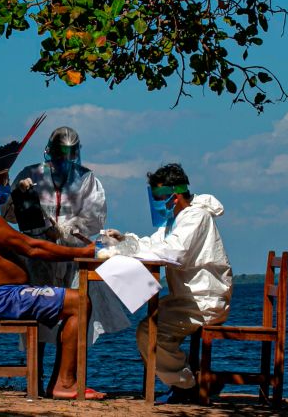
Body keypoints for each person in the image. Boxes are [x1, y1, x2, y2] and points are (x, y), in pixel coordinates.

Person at [0, 134, 105, 400]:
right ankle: (64, 384)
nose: (6, 186)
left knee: (72, 300)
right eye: (2, 182)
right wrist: (82, 252)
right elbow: (32, 247)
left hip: (7, 294)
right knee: (80, 303)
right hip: (2, 298)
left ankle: (58, 381)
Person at [100, 163, 232, 404]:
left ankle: (187, 385)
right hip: (188, 298)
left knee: (149, 331)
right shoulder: (176, 220)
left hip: (204, 300)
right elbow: (154, 243)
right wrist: (125, 241)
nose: (159, 202)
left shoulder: (195, 217)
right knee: (149, 326)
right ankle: (183, 377)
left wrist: (128, 252)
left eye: (161, 196)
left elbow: (175, 252)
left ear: (176, 194)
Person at [1, 126, 129, 350]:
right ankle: (37, 375)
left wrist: (63, 231)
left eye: (68, 155)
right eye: (59, 154)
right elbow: (9, 215)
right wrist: (18, 195)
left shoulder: (86, 179)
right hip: (38, 254)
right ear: (49, 151)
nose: (63, 160)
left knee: (75, 314)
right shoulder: (30, 174)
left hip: (73, 257)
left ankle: (64, 377)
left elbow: (94, 218)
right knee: (37, 315)